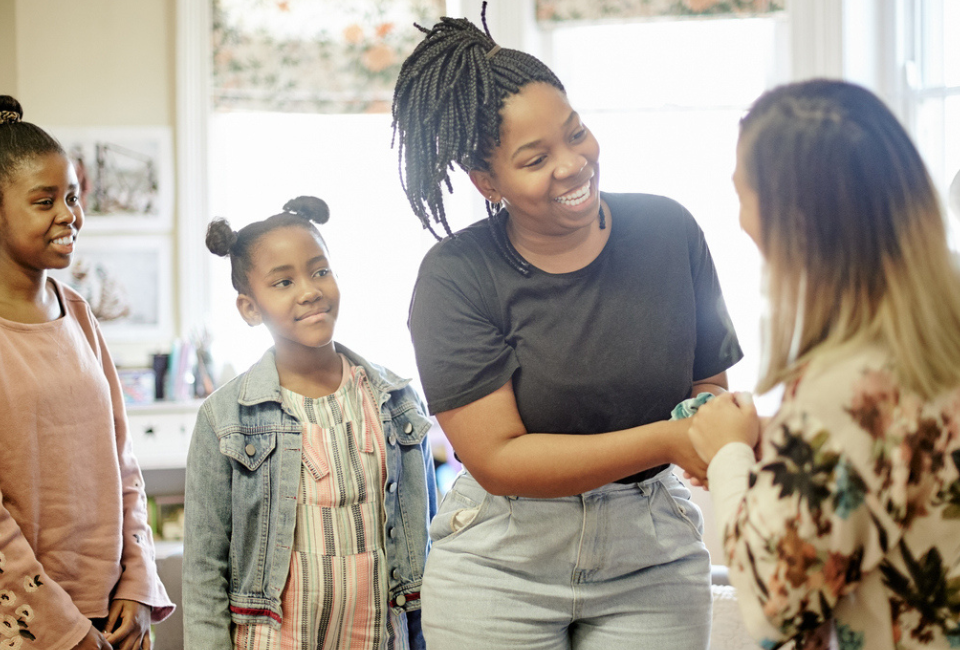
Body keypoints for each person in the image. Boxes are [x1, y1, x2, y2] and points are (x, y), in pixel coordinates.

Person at [390, 6, 743, 648]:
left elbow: (704, 390)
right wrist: (671, 437)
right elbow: (500, 459)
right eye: (535, 158)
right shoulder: (454, 276)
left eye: (576, 133)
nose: (573, 164)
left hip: (653, 553)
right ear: (486, 181)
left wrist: (717, 423)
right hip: (502, 562)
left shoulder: (670, 232)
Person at [689, 79, 960, 649]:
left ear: (798, 225)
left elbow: (772, 602)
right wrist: (788, 447)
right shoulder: (935, 329)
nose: (740, 218)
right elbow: (887, 462)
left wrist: (728, 454)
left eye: (743, 193)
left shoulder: (849, 386)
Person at [182, 197, 437, 649]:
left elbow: (426, 547)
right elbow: (204, 570)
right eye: (283, 281)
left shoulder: (396, 401)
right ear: (249, 308)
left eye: (320, 271)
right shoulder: (223, 418)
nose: (309, 290)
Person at [0, 95, 174, 649]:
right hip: (31, 629)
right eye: (44, 200)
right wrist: (65, 631)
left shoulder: (78, 311)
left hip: (114, 617)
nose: (68, 215)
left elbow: (123, 461)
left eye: (72, 196)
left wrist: (139, 581)